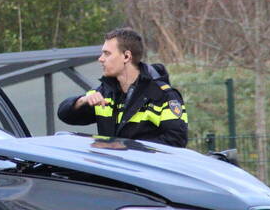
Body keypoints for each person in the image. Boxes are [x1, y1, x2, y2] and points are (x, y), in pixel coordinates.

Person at [57, 28, 188, 148]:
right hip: (111, 166)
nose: (100, 59)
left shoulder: (164, 95)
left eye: (107, 54)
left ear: (126, 56)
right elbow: (64, 115)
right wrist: (81, 101)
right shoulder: (105, 92)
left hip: (143, 167)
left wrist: (127, 148)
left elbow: (176, 141)